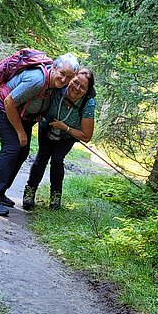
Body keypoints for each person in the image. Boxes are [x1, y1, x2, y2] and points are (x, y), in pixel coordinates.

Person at [0, 53, 80, 216]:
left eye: (69, 78)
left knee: (22, 151)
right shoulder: (37, 80)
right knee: (12, 148)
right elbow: (9, 102)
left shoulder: (53, 84)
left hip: (19, 115)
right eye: (62, 74)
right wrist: (20, 132)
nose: (64, 80)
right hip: (1, 109)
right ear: (54, 67)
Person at [22, 68, 96, 211]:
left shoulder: (88, 104)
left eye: (83, 87)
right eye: (75, 82)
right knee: (42, 157)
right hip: (47, 127)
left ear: (87, 91)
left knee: (57, 160)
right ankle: (29, 193)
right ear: (71, 79)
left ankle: (55, 197)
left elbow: (86, 136)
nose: (77, 88)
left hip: (68, 136)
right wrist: (38, 115)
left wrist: (65, 128)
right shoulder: (58, 88)